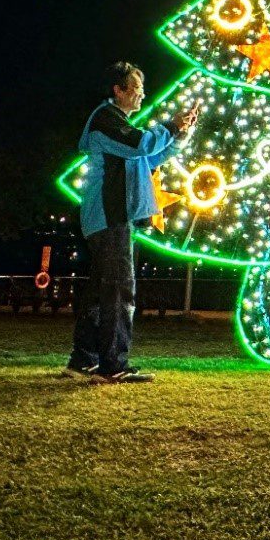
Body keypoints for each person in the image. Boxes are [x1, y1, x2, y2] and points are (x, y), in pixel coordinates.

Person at [63, 62, 197, 384]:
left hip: (107, 218)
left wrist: (180, 136)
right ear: (118, 90)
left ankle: (83, 360)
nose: (141, 95)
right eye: (136, 88)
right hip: (110, 217)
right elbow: (142, 145)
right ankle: (113, 365)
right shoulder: (106, 120)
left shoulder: (117, 125)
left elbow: (149, 158)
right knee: (119, 290)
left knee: (101, 292)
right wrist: (171, 125)